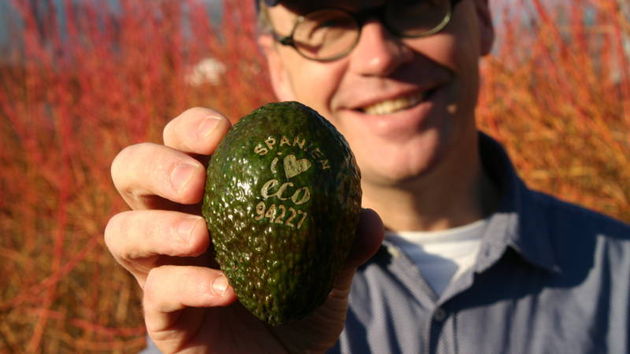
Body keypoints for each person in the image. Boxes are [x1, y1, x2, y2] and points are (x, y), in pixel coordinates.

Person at [104, 0, 630, 352]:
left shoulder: (620, 280)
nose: (379, 57)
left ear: (485, 18)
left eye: (416, 3)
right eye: (328, 21)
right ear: (276, 62)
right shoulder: (225, 295)